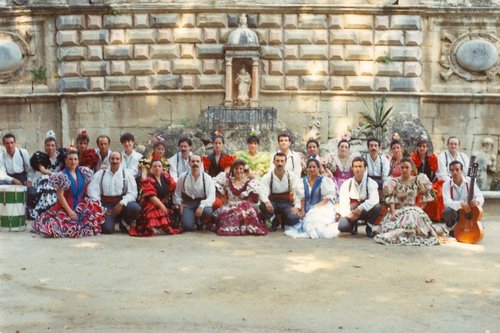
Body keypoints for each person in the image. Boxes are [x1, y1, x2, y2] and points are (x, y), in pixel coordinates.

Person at [373, 158, 448, 246]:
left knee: (413, 215)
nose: (404, 170)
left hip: (413, 209)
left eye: (407, 167)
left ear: (411, 168)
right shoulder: (394, 181)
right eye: (402, 167)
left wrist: (420, 209)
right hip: (398, 210)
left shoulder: (418, 180)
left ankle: (414, 233)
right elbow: (392, 198)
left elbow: (426, 195)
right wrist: (393, 212)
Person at [31, 150, 104, 238]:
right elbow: (60, 195)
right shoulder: (62, 175)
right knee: (60, 227)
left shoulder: (82, 172)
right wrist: (70, 211)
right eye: (70, 159)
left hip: (81, 205)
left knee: (92, 218)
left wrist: (102, 170)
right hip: (66, 207)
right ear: (66, 161)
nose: (73, 162)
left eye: (75, 159)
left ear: (78, 161)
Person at [210, 159, 269, 236]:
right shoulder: (228, 180)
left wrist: (236, 203)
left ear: (244, 170)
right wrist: (222, 198)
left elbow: (251, 199)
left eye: (241, 169)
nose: (238, 171)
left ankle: (245, 227)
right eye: (236, 169)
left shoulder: (249, 182)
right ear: (233, 170)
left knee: (246, 210)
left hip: (244, 206)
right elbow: (213, 185)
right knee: (228, 215)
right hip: (229, 205)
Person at [87, 151, 141, 234]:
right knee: (107, 230)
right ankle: (111, 219)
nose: (115, 161)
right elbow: (92, 191)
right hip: (107, 205)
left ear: (121, 160)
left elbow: (133, 193)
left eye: (117, 159)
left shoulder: (126, 174)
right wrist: (101, 208)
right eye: (112, 158)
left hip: (121, 203)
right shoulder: (101, 173)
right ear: (109, 160)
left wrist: (122, 203)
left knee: (135, 208)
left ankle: (124, 223)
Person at [284, 159, 338, 239]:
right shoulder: (302, 181)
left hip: (322, 206)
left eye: (314, 167)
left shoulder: (324, 181)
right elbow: (302, 198)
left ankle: (318, 231)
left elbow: (327, 198)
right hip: (307, 207)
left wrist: (315, 208)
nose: (312, 169)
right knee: (307, 219)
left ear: (318, 168)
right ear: (307, 169)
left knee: (314, 215)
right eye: (309, 167)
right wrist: (302, 210)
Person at [136, 155, 181, 236]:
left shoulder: (166, 177)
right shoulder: (148, 179)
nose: (157, 168)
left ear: (162, 168)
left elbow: (172, 188)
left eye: (159, 166)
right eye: (155, 166)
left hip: (164, 202)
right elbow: (151, 196)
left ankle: (161, 227)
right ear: (151, 168)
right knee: (158, 211)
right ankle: (154, 227)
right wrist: (161, 205)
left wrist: (167, 200)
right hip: (152, 203)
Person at [337, 157, 381, 237]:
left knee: (377, 207)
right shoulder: (347, 184)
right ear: (352, 169)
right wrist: (349, 214)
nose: (358, 169)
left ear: (365, 168)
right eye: (356, 167)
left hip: (365, 210)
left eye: (360, 167)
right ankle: (353, 224)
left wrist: (360, 209)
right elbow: (343, 202)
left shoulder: (371, 183)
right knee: (342, 227)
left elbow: (374, 199)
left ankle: (369, 227)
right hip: (352, 211)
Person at [28, 131, 66, 220]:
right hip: (45, 179)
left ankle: (52, 210)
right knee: (46, 180)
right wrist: (53, 175)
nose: (50, 147)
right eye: (48, 145)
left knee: (52, 185)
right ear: (45, 146)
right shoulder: (40, 156)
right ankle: (44, 211)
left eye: (52, 145)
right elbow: (42, 170)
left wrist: (58, 177)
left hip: (59, 180)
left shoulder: (61, 156)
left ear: (56, 146)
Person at [173, 154, 215, 231]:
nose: (195, 163)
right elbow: (177, 193)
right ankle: (191, 219)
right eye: (193, 161)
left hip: (201, 202)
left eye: (197, 161)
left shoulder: (207, 178)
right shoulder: (183, 177)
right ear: (189, 163)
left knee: (208, 212)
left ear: (201, 163)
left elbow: (211, 197)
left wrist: (202, 206)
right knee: (187, 227)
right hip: (188, 203)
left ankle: (200, 221)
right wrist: (179, 204)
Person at [260, 152, 301, 231]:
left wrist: (297, 206)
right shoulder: (268, 176)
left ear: (285, 162)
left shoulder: (291, 176)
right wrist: (266, 202)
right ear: (273, 162)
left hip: (286, 203)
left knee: (294, 218)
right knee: (262, 206)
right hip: (273, 203)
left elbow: (297, 192)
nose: (280, 163)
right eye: (277, 161)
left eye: (282, 161)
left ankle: (284, 219)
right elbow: (262, 191)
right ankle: (274, 219)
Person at [442, 161, 484, 236]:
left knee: (477, 209)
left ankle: (473, 226)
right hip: (456, 213)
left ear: (462, 170)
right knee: (447, 211)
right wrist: (460, 204)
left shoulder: (470, 181)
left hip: (469, 213)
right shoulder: (446, 184)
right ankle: (452, 230)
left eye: (457, 169)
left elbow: (480, 196)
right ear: (450, 171)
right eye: (452, 170)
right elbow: (447, 202)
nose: (454, 172)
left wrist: (477, 201)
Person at [410, 134, 444, 222]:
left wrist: (429, 184)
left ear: (427, 148)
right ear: (417, 147)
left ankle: (434, 217)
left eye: (424, 146)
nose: (422, 148)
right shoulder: (413, 158)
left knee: (438, 192)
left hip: (431, 182)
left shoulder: (432, 158)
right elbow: (412, 173)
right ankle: (417, 216)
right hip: (417, 182)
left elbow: (435, 173)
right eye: (420, 146)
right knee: (418, 192)